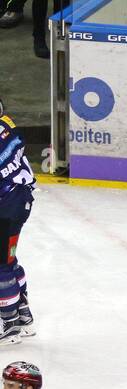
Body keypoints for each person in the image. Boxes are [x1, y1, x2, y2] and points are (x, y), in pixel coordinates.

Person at [0, 98, 36, 342]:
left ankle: (9, 322)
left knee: (2, 263)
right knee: (8, 259)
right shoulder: (5, 123)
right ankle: (23, 315)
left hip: (7, 206)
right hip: (18, 201)